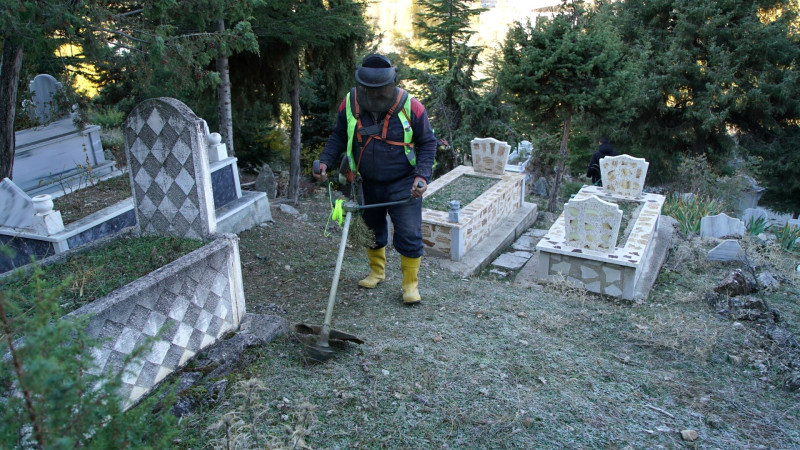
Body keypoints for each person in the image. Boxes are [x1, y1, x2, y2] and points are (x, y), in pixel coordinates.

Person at [313, 54, 437, 305]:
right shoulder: (350, 103)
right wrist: (325, 160)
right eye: (371, 90)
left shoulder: (411, 106)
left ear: (391, 83)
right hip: (365, 180)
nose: (376, 95)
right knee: (372, 229)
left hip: (404, 182)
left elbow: (427, 143)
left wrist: (422, 176)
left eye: (381, 90)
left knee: (409, 233)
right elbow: (338, 135)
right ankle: (376, 272)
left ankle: (409, 285)